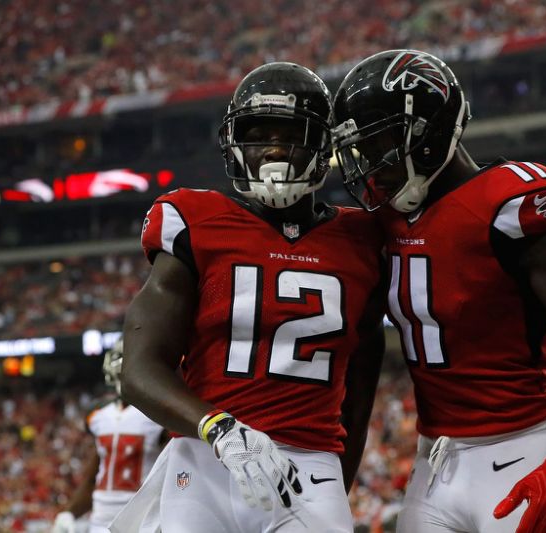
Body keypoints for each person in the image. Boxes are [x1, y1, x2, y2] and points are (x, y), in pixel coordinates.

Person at [332, 49, 546, 533]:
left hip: (521, 451)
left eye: (379, 144)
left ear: (427, 133)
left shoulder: (508, 205)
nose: (370, 166)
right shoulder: (382, 224)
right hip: (434, 461)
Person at [111, 62, 386, 533]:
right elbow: (139, 369)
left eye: (290, 135)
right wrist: (217, 426)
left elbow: (360, 394)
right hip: (204, 457)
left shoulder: (363, 238)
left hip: (309, 464)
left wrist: (334, 483)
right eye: (258, 135)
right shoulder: (196, 220)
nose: (273, 149)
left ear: (322, 145)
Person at [51, 339, 166, 533]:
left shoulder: (159, 414)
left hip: (141, 521)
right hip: (100, 521)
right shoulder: (98, 414)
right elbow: (95, 476)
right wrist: (69, 513)